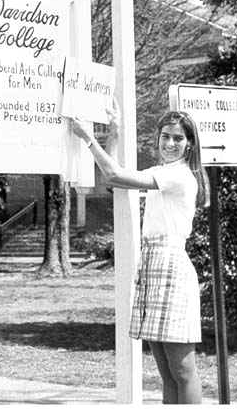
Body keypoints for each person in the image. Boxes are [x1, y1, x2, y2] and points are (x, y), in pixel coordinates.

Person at [70, 101, 209, 405]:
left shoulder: (181, 176)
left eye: (178, 138)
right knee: (167, 370)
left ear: (189, 145)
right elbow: (118, 172)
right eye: (165, 136)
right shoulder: (163, 170)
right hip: (152, 265)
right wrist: (114, 134)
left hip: (171, 266)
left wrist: (88, 138)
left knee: (183, 370)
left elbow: (115, 176)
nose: (170, 143)